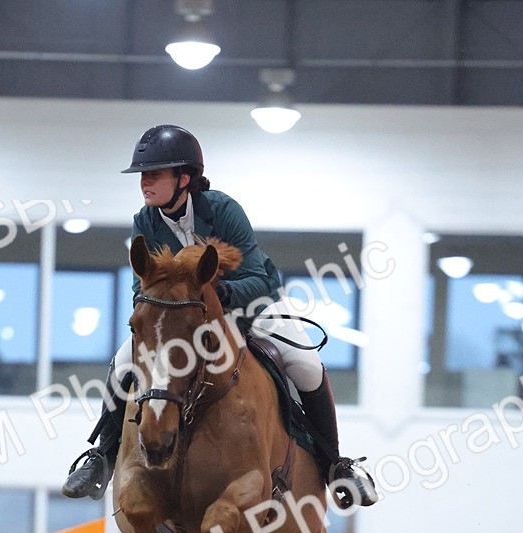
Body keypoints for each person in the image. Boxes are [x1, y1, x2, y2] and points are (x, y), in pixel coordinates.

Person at [62, 124, 376, 510]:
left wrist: (222, 294)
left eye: (155, 174)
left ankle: (335, 464)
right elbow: (139, 287)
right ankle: (103, 457)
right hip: (182, 321)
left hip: (248, 305)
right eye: (143, 175)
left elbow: (259, 279)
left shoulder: (223, 210)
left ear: (185, 177)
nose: (145, 183)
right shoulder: (145, 221)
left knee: (306, 363)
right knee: (123, 365)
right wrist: (157, 310)